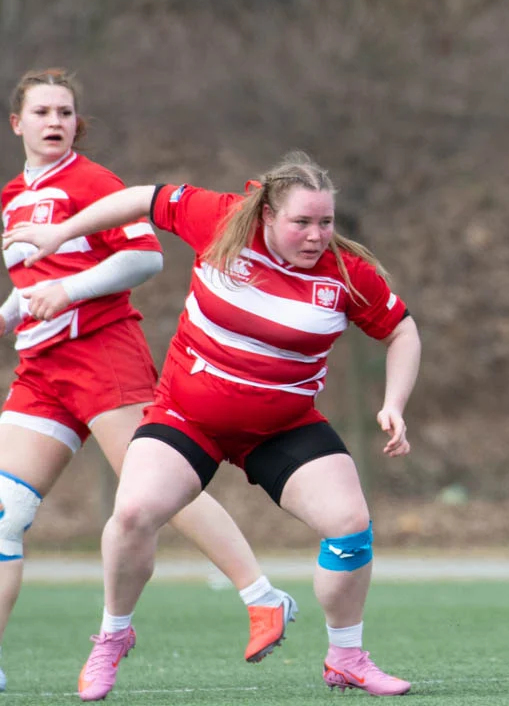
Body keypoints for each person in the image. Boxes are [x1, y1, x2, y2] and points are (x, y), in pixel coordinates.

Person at [3, 151, 420, 700]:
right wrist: (61, 234)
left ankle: (346, 657)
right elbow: (141, 199)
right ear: (267, 215)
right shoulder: (220, 219)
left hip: (282, 425)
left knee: (349, 525)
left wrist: (395, 402)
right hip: (187, 416)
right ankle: (112, 637)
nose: (317, 235)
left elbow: (402, 331)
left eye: (326, 222)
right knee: (131, 512)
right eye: (302, 222)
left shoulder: (345, 273)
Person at [1, 69, 296, 691]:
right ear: (16, 123)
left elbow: (146, 256)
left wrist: (69, 290)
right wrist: (10, 311)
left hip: (103, 355)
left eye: (66, 112)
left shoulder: (90, 181)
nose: (55, 121)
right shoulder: (11, 196)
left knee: (158, 490)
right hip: (40, 372)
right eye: (43, 111)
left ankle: (263, 594)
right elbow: (32, 285)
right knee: (4, 516)